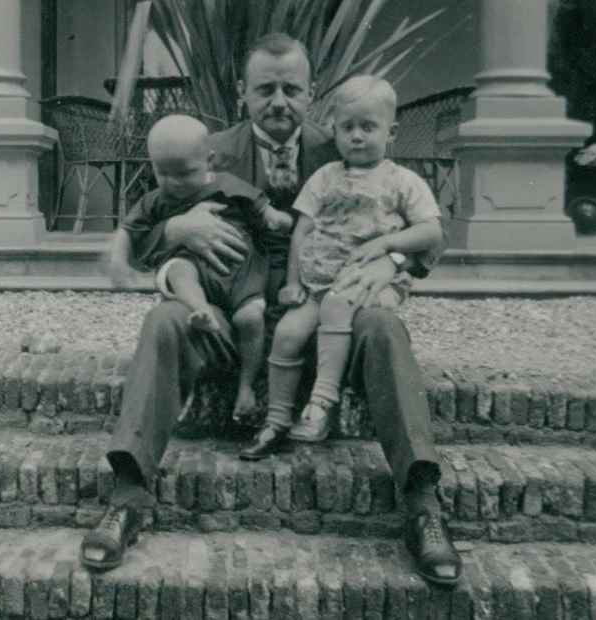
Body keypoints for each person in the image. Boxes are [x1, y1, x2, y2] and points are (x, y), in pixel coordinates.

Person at [80, 33, 462, 587]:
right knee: (163, 319)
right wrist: (176, 228)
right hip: (235, 321)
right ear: (242, 93)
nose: (279, 102)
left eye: (291, 89)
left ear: (312, 94)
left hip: (326, 325)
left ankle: (423, 501)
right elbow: (139, 230)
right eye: (265, 90)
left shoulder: (347, 144)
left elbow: (427, 231)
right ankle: (129, 493)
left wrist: (395, 259)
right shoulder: (208, 151)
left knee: (382, 324)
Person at [263, 75, 443, 445]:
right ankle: (276, 416)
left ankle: (321, 404)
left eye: (368, 127)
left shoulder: (402, 181)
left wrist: (389, 245)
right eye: (347, 128)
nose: (357, 136)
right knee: (287, 333)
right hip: (318, 284)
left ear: (391, 132)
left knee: (335, 305)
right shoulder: (325, 177)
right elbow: (302, 230)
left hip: (367, 282)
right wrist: (294, 282)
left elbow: (431, 233)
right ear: (334, 130)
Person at [109, 114, 292, 422]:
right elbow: (129, 230)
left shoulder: (227, 185)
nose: (173, 183)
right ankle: (200, 310)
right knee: (180, 271)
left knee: (251, 317)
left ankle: (246, 387)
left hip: (241, 271)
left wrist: (275, 218)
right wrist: (118, 260)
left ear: (209, 160)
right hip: (195, 268)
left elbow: (261, 209)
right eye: (162, 172)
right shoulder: (155, 200)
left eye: (184, 173)